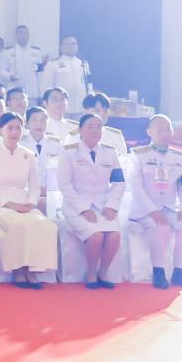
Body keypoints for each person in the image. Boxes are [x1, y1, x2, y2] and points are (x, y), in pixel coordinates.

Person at [0, 112, 58, 288]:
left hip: (24, 203)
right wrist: (9, 204)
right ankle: (18, 270)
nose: (14, 132)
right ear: (0, 130)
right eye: (10, 128)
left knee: (44, 224)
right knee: (17, 223)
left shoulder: (28, 155)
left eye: (18, 128)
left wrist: (30, 203)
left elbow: (34, 186)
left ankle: (32, 270)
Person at [128, 114, 182, 290]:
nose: (164, 133)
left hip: (170, 208)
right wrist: (153, 210)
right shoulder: (139, 155)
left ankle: (181, 272)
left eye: (168, 129)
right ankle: (158, 271)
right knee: (161, 227)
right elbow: (136, 188)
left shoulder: (179, 157)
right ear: (149, 132)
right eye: (159, 130)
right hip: (144, 210)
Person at [58, 112, 124, 288]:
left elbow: (119, 182)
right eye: (90, 126)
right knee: (96, 236)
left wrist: (112, 206)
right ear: (80, 129)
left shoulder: (110, 152)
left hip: (103, 206)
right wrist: (83, 209)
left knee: (114, 235)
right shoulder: (69, 152)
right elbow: (65, 186)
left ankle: (104, 272)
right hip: (76, 207)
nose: (95, 130)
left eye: (99, 127)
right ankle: (92, 273)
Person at [45, 36, 90, 107]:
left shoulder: (83, 63)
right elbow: (47, 84)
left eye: (74, 44)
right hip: (61, 103)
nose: (72, 46)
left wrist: (90, 98)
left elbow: (88, 84)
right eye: (68, 44)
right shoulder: (53, 63)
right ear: (61, 47)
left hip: (80, 103)